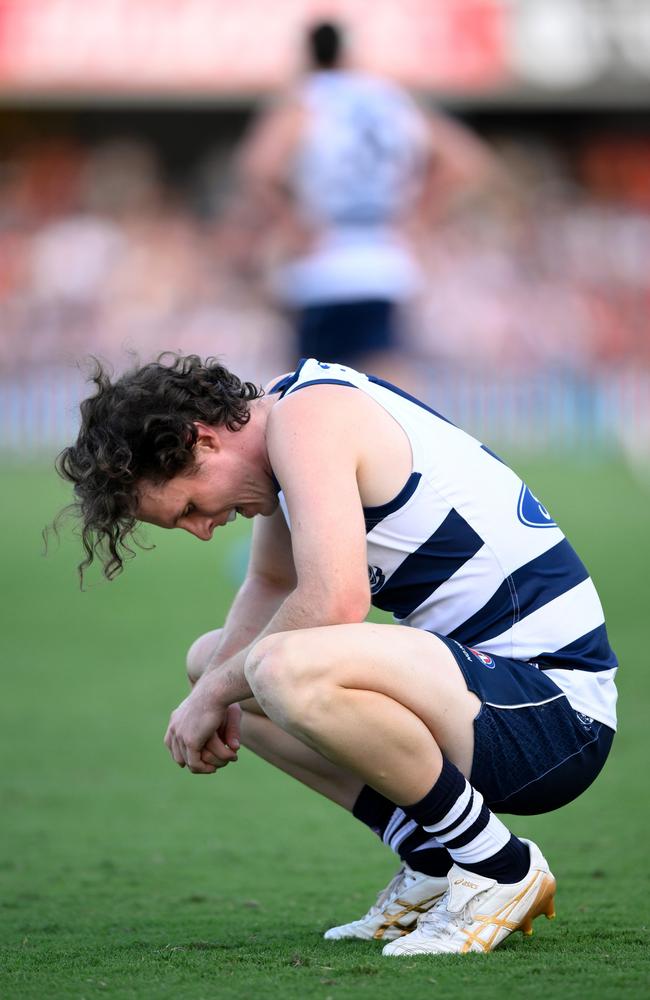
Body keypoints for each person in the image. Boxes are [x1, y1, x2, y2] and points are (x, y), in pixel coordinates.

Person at [56, 353, 617, 956]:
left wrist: (216, 694)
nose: (200, 530)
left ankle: (498, 868)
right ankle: (432, 859)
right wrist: (207, 689)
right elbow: (272, 582)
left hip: (554, 714)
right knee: (210, 661)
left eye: (189, 507)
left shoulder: (310, 418)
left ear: (203, 440)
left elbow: (336, 601)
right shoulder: (286, 418)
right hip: (493, 702)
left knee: (277, 668)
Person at [230, 21, 506, 383]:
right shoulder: (391, 99)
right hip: (385, 255)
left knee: (310, 384)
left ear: (307, 55)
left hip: (324, 256)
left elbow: (257, 166)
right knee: (384, 379)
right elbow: (467, 160)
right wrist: (417, 213)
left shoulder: (306, 101)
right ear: (348, 52)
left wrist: (291, 223)